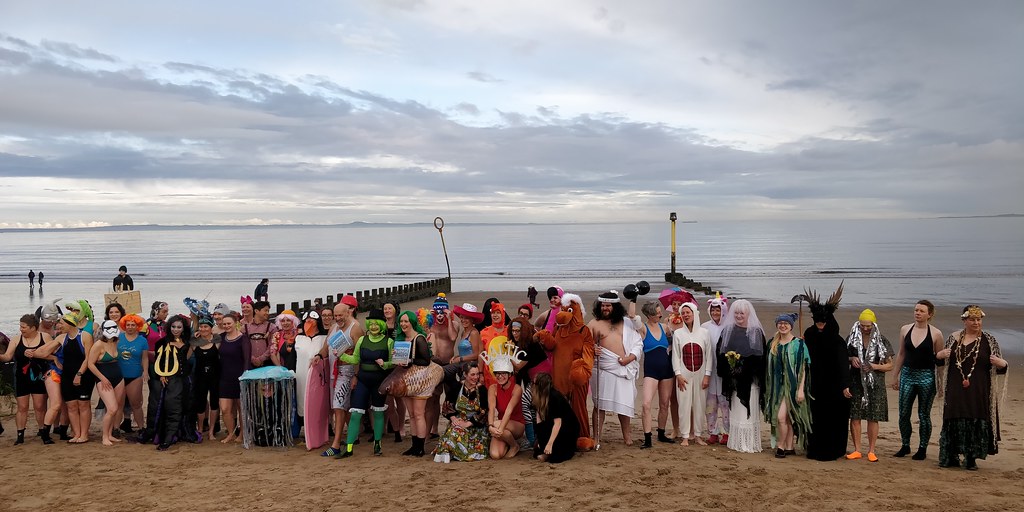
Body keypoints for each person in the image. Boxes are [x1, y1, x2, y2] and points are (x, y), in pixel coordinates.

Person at [936, 305, 1008, 470]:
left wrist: (1001, 363)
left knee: (975, 417)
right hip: (955, 388)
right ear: (964, 320)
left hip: (979, 388)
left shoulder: (989, 340)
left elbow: (1000, 367)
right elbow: (942, 362)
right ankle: (950, 455)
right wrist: (938, 356)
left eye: (979, 319)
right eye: (972, 320)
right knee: (953, 418)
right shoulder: (953, 338)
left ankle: (971, 457)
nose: (976, 323)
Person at [535, 292, 596, 451]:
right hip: (559, 377)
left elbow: (589, 353)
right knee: (558, 408)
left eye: (569, 311)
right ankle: (556, 437)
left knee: (578, 407)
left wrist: (582, 370)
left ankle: (582, 436)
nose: (563, 314)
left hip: (577, 377)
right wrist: (545, 337)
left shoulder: (584, 331)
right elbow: (552, 346)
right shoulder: (559, 329)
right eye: (563, 309)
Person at [802, 285, 853, 461]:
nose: (820, 325)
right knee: (815, 417)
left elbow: (842, 364)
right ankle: (814, 448)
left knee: (833, 419)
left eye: (823, 322)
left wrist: (845, 385)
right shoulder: (809, 334)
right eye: (817, 322)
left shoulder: (837, 341)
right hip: (814, 384)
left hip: (833, 388)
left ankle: (833, 449)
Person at [337, 308, 395, 458]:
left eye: (377, 324)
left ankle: (377, 443)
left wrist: (385, 363)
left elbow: (394, 363)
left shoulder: (388, 342)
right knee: (356, 413)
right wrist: (341, 355)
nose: (374, 327)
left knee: (378, 412)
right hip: (363, 380)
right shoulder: (362, 340)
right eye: (371, 324)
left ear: (382, 325)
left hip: (379, 382)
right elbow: (356, 359)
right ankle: (349, 448)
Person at [891, 300, 944, 460]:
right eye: (916, 310)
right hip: (907, 374)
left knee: (924, 414)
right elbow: (901, 353)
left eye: (921, 311)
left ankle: (922, 448)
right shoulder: (905, 329)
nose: (917, 313)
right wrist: (895, 376)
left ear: (930, 314)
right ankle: (905, 445)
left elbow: (940, 360)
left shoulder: (936, 334)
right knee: (903, 413)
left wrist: (941, 383)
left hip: (927, 376)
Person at [588, 290, 643, 447]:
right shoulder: (594, 324)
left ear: (616, 307)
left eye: (608, 305)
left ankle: (627, 436)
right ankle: (597, 437)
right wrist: (593, 349)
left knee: (624, 405)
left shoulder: (626, 322)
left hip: (625, 367)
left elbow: (638, 342)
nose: (605, 308)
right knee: (599, 406)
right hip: (604, 369)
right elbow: (583, 344)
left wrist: (630, 358)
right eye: (603, 305)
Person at [716, 299, 767, 453]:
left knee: (749, 411)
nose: (739, 316)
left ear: (748, 314)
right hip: (734, 379)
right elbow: (720, 353)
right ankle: (736, 442)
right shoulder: (727, 331)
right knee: (737, 411)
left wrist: (746, 368)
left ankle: (749, 443)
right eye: (736, 313)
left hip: (751, 380)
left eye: (742, 313)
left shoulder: (756, 332)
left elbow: (760, 357)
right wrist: (731, 368)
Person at [143, 315, 198, 450]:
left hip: (183, 380)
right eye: (173, 327)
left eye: (179, 327)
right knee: (166, 408)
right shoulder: (161, 342)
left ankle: (175, 435)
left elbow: (186, 358)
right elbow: (158, 360)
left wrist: (196, 325)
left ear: (183, 328)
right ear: (169, 327)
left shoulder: (188, 342)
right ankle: (165, 436)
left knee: (181, 408)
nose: (176, 330)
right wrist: (161, 374)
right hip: (167, 380)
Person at [846, 309, 894, 462]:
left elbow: (890, 365)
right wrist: (851, 359)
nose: (865, 328)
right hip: (855, 381)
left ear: (874, 324)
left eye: (868, 326)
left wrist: (874, 366)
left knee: (873, 417)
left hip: (875, 384)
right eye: (862, 326)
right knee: (855, 416)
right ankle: (857, 449)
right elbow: (843, 356)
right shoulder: (851, 339)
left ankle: (872, 451)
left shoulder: (882, 340)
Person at [318, 296, 363, 457]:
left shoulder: (355, 328)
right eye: (335, 316)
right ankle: (353, 436)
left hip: (347, 372)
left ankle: (336, 444)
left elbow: (360, 354)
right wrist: (318, 356)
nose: (337, 319)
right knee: (342, 406)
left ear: (348, 312)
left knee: (338, 407)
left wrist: (356, 376)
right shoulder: (334, 328)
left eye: (340, 315)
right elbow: (325, 348)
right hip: (333, 371)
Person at [764, 313, 811, 458]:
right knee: (786, 417)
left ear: (791, 326)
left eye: (786, 323)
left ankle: (781, 446)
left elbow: (803, 368)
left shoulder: (799, 344)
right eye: (780, 323)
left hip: (793, 387)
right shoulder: (773, 343)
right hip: (776, 387)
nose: (783, 325)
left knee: (781, 417)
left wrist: (801, 389)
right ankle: (790, 446)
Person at [396, 310, 443, 457]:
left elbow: (426, 360)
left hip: (419, 380)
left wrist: (409, 361)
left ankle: (421, 446)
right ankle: (414, 445)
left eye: (406, 321)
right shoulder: (401, 339)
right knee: (411, 414)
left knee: (418, 413)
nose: (403, 324)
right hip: (406, 380)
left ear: (412, 322)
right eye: (401, 321)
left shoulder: (419, 338)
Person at [0, 314, 52, 445]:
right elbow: (7, 357)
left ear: (33, 328)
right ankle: (20, 435)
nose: (21, 329)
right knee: (22, 407)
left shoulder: (44, 337)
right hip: (21, 377)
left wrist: (37, 353)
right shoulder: (16, 339)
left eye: (23, 327)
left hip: (39, 376)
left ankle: (43, 432)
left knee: (40, 406)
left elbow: (52, 354)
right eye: (20, 326)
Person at [671, 302, 713, 446]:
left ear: (694, 313)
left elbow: (709, 356)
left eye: (688, 312)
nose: (685, 315)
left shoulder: (704, 333)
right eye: (683, 313)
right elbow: (676, 356)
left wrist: (707, 375)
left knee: (699, 404)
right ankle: (684, 435)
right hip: (684, 375)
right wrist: (678, 374)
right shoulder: (678, 333)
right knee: (684, 404)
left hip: (701, 375)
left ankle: (698, 435)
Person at [433, 362, 490, 463]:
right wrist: (453, 418)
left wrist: (468, 423)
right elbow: (447, 406)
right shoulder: (456, 387)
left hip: (475, 425)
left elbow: (484, 411)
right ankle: (446, 451)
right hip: (458, 421)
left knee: (456, 433)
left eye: (477, 374)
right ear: (465, 374)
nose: (476, 377)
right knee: (453, 431)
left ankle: (448, 451)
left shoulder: (482, 390)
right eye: (472, 374)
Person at [636, 300, 674, 448]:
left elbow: (675, 341)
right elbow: (633, 317)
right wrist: (634, 298)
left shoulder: (665, 327)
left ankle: (662, 433)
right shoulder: (643, 329)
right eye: (657, 313)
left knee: (664, 404)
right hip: (651, 371)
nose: (660, 314)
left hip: (666, 370)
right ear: (649, 315)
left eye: (660, 312)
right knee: (646, 404)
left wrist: (673, 321)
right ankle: (647, 438)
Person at [87, 320, 125, 446]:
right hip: (104, 379)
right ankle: (104, 436)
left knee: (117, 407)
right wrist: (102, 378)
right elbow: (90, 364)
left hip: (118, 377)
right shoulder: (98, 344)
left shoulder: (115, 342)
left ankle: (109, 434)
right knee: (112, 408)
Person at [486, 341, 526, 459]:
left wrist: (497, 428)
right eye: (497, 373)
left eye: (503, 373)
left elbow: (509, 411)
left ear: (510, 374)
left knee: (497, 423)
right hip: (500, 426)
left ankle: (514, 445)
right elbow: (491, 409)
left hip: (517, 424)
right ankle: (508, 441)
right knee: (495, 455)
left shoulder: (517, 389)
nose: (500, 376)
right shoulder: (493, 388)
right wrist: (490, 426)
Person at [218, 311, 251, 444]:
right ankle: (231, 433)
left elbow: (247, 359)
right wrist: (197, 334)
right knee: (225, 409)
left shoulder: (243, 338)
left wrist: (245, 376)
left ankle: (242, 434)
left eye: (229, 323)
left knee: (241, 409)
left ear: (236, 323)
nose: (226, 326)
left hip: (239, 377)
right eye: (224, 324)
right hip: (224, 377)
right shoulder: (220, 337)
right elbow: (204, 340)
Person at [532, 372, 580, 463]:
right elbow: (539, 419)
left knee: (557, 457)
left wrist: (549, 444)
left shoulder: (555, 397)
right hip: (551, 424)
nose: (532, 386)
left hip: (567, 427)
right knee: (539, 447)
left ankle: (549, 453)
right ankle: (546, 452)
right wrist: (541, 439)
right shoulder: (538, 397)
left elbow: (558, 423)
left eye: (534, 384)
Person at [116, 314, 149, 435]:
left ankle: (141, 428)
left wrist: (145, 371)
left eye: (133, 325)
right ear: (124, 325)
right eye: (128, 324)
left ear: (137, 326)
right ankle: (115, 429)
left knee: (136, 404)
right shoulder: (118, 337)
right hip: (119, 375)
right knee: (118, 404)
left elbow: (144, 358)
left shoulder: (142, 340)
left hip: (135, 375)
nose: (130, 327)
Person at [703, 294, 729, 445]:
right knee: (710, 404)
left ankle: (727, 432)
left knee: (725, 404)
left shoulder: (729, 326)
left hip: (724, 371)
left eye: (718, 310)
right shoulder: (705, 327)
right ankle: (712, 432)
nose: (715, 313)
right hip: (709, 370)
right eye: (712, 310)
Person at [190, 316, 219, 442]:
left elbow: (223, 331)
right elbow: (186, 355)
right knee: (200, 403)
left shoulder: (217, 340)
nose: (203, 329)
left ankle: (211, 431)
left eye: (206, 326)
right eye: (201, 327)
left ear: (211, 328)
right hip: (200, 376)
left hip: (215, 376)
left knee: (214, 403)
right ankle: (200, 428)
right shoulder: (194, 342)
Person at [479, 301, 509, 388]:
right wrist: (480, 373)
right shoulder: (484, 332)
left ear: (503, 314)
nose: (495, 315)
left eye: (498, 313)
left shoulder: (510, 331)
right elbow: (481, 354)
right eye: (493, 313)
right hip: (490, 374)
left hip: (507, 374)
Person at [244, 301, 277, 369]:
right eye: (265, 310)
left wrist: (261, 359)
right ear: (256, 311)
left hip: (267, 363)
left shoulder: (272, 327)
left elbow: (273, 345)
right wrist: (252, 359)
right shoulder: (245, 328)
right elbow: (243, 346)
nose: (267, 313)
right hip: (250, 363)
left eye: (268, 311)